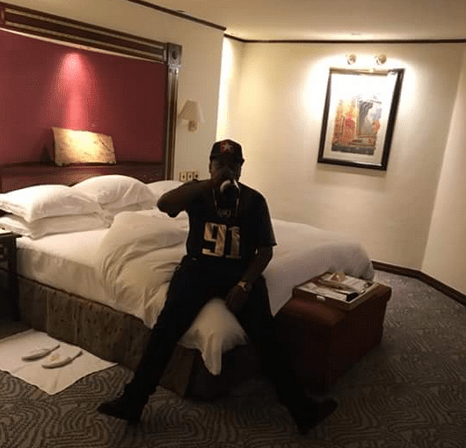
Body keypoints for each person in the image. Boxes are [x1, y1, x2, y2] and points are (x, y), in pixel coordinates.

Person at [98, 139, 337, 434]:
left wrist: (245, 284)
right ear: (210, 165)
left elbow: (265, 251)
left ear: (241, 168)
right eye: (219, 164)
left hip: (238, 273)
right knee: (164, 332)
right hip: (197, 270)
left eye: (233, 165)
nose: (227, 170)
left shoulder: (254, 200)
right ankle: (133, 401)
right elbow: (164, 204)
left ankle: (302, 410)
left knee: (267, 337)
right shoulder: (198, 193)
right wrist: (208, 184)